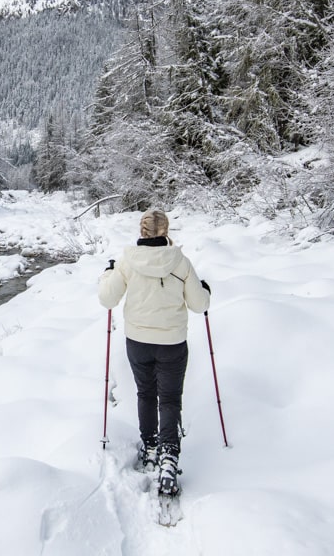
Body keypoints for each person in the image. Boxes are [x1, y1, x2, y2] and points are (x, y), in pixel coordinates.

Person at [98, 209, 210, 496]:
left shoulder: (127, 261)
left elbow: (107, 298)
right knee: (170, 399)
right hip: (172, 342)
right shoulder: (180, 262)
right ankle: (169, 456)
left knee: (146, 393)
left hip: (138, 340)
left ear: (142, 231)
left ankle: (149, 446)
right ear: (166, 231)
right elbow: (199, 305)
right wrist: (205, 290)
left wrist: (108, 273)